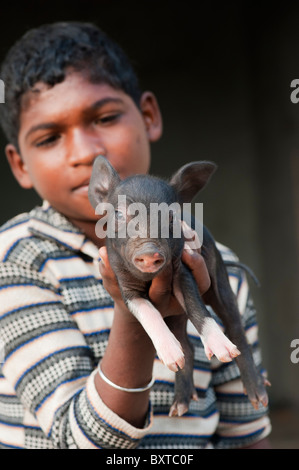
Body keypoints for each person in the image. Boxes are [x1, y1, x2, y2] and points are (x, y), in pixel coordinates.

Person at [0, 21, 271, 449]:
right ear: (19, 165)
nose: (87, 151)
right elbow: (75, 441)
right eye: (50, 137)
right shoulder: (15, 259)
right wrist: (133, 306)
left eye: (105, 118)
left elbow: (246, 433)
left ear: (149, 116)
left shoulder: (212, 260)